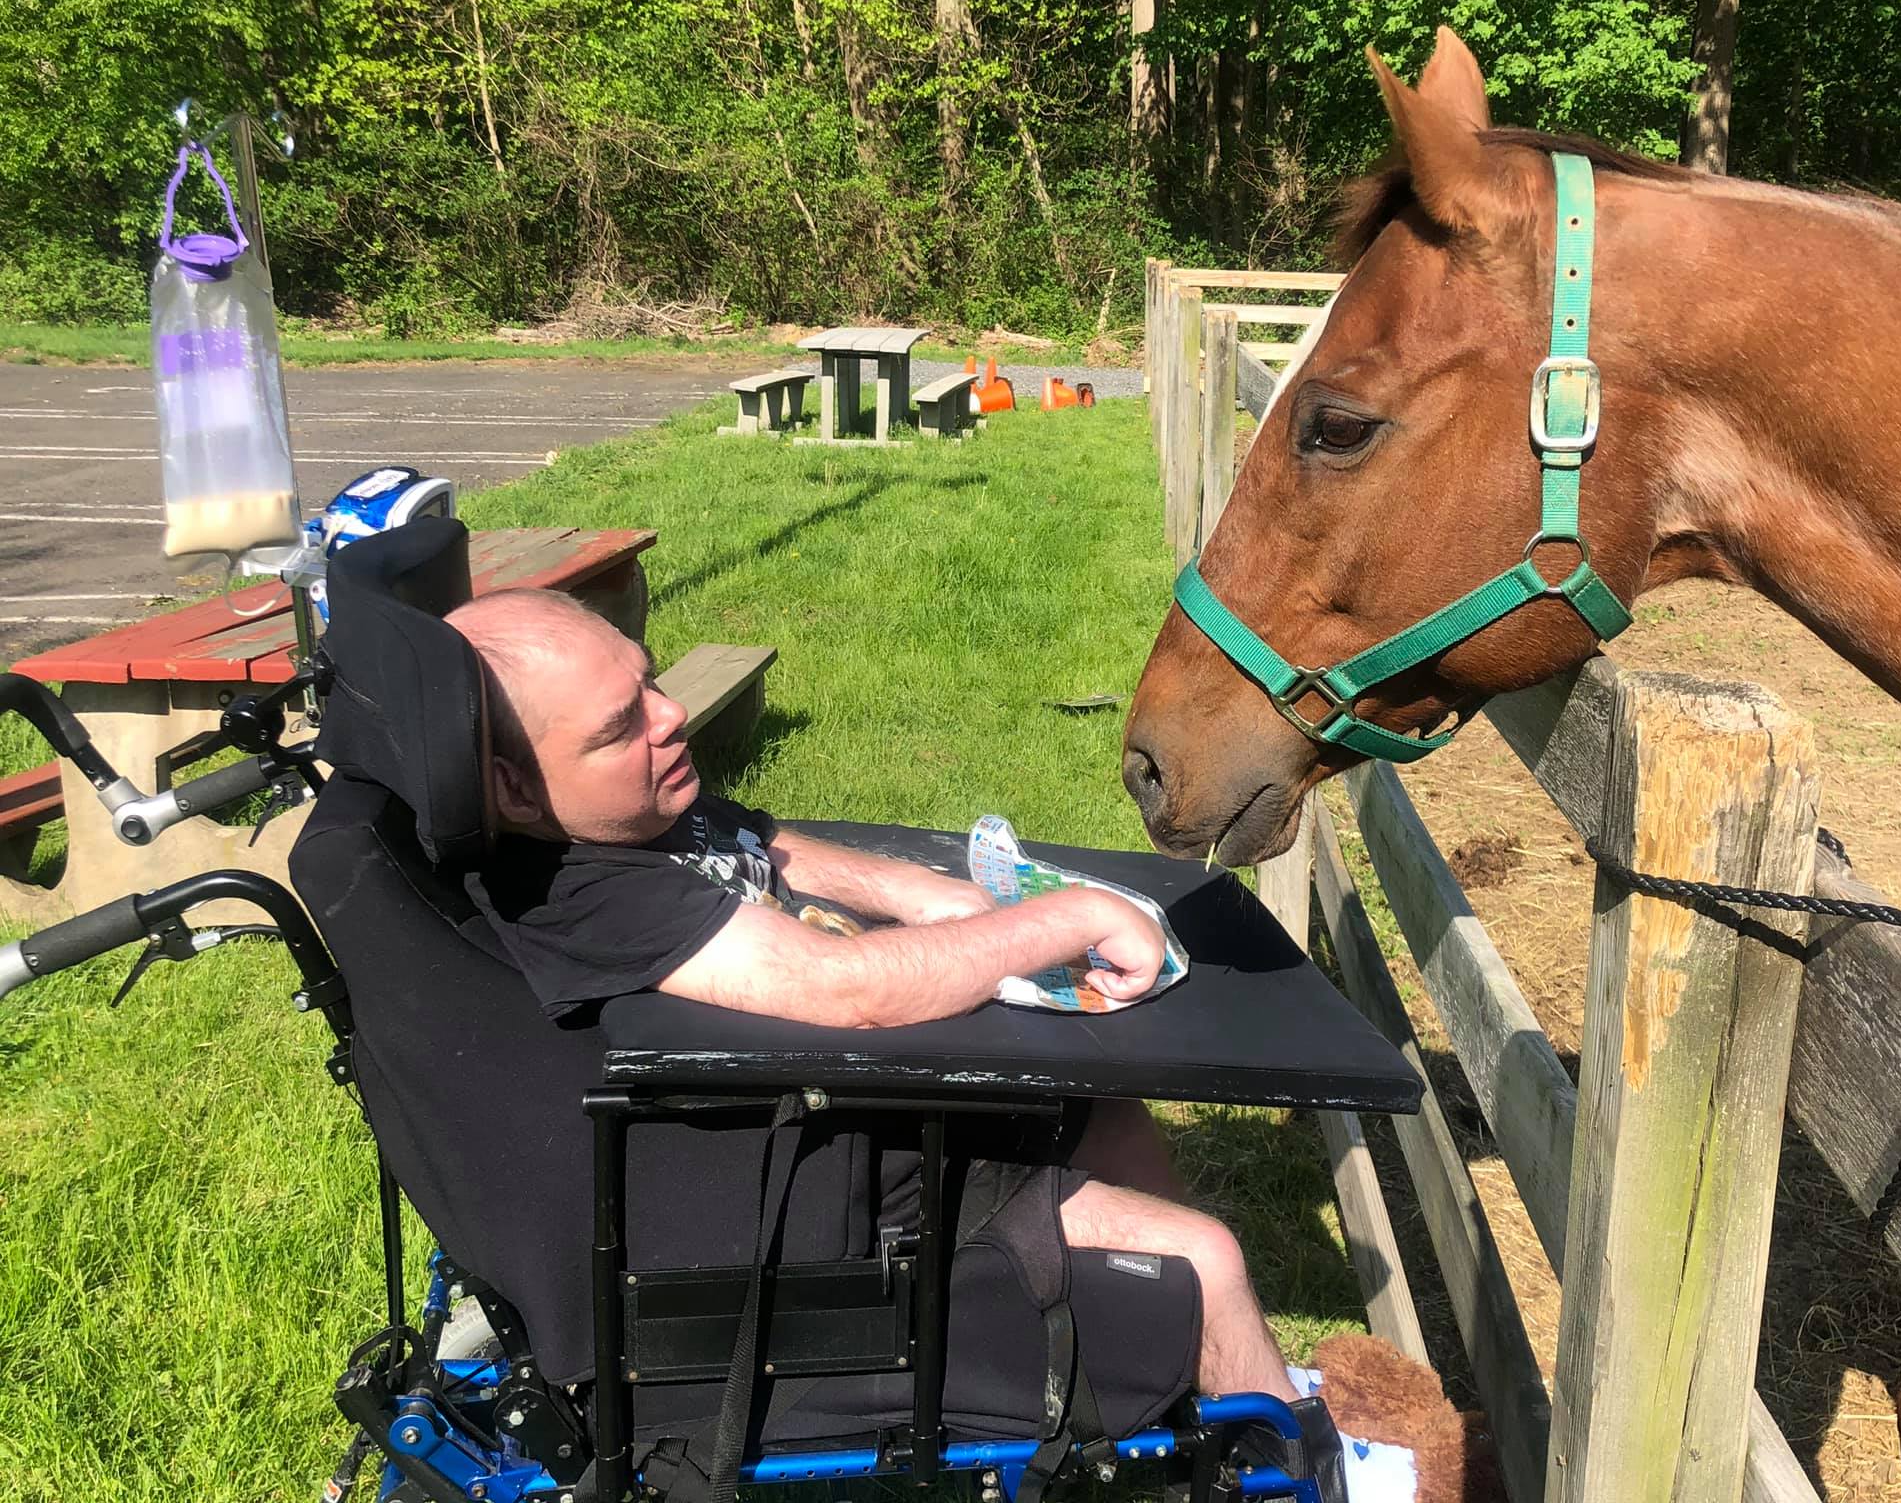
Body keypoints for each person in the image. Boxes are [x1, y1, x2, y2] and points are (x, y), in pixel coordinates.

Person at [448, 588, 1415, 1499]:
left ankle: (1206, 1379)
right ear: (515, 790)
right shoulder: (585, 890)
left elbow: (759, 842)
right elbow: (849, 991)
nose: (668, 717)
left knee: (1110, 1109)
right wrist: (1068, 917)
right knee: (1202, 1255)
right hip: (811, 1186)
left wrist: (928, 897)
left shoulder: (630, 813)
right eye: (621, 727)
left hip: (827, 1117)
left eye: (650, 681)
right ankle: (1284, 1460)